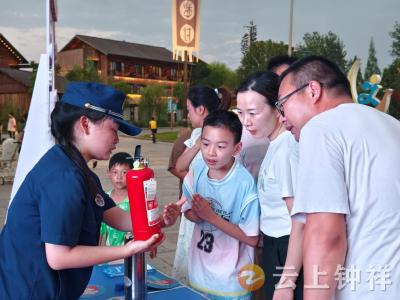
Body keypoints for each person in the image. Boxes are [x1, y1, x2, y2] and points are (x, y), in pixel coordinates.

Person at [0, 82, 180, 299]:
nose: (117, 139)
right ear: (85, 124)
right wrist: (127, 250)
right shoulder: (63, 177)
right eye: (113, 129)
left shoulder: (79, 171)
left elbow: (119, 219)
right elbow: (58, 257)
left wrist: (158, 222)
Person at [278, 55, 400, 300]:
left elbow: (326, 236)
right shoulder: (393, 125)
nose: (282, 119)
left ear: (313, 90)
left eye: (282, 105)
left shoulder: (322, 128)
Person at [236, 71, 303, 300]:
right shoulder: (274, 144)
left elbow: (299, 220)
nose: (246, 121)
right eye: (241, 113)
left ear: (277, 108)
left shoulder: (286, 150)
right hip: (275, 245)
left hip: (288, 249)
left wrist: (287, 280)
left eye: (253, 113)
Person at [182, 110, 259, 299]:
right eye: (206, 144)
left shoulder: (244, 183)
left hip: (231, 282)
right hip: (199, 274)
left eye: (221, 146)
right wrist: (195, 214)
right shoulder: (198, 169)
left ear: (237, 148)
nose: (210, 152)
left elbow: (251, 238)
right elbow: (188, 212)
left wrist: (211, 216)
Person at [172, 85, 230, 283]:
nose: (188, 115)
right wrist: (199, 142)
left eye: (189, 109)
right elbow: (179, 166)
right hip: (193, 207)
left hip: (216, 208)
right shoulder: (197, 135)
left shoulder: (226, 133)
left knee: (208, 264)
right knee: (188, 259)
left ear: (201, 109)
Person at [99, 152, 133, 246]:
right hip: (110, 255)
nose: (119, 177)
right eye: (115, 172)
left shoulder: (136, 200)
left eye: (124, 172)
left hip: (130, 254)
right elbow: (100, 230)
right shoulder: (104, 199)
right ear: (108, 173)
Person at [168, 127, 192, 197]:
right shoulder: (187, 137)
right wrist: (194, 183)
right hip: (189, 196)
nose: (189, 115)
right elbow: (173, 167)